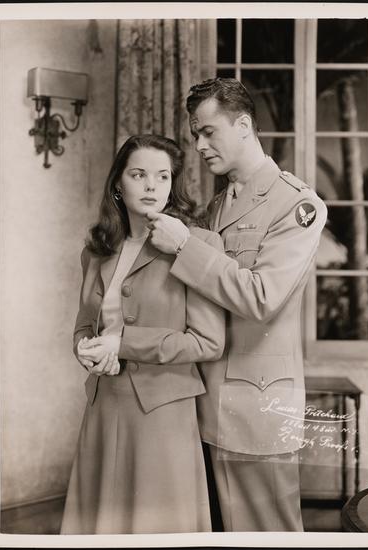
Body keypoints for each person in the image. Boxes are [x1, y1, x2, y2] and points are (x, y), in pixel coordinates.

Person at [145, 78, 328, 532]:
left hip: (258, 405)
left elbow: (261, 297)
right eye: (195, 135)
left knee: (269, 533)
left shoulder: (298, 204)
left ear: (243, 125)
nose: (199, 146)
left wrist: (184, 245)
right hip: (208, 399)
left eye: (209, 132)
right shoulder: (218, 205)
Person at [60, 134, 225, 534]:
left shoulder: (197, 244)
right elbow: (85, 324)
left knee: (158, 530)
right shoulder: (97, 249)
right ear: (118, 183)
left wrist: (123, 344)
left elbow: (207, 342)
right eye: (139, 175)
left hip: (163, 413)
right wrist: (86, 349)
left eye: (162, 176)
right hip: (103, 406)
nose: (152, 186)